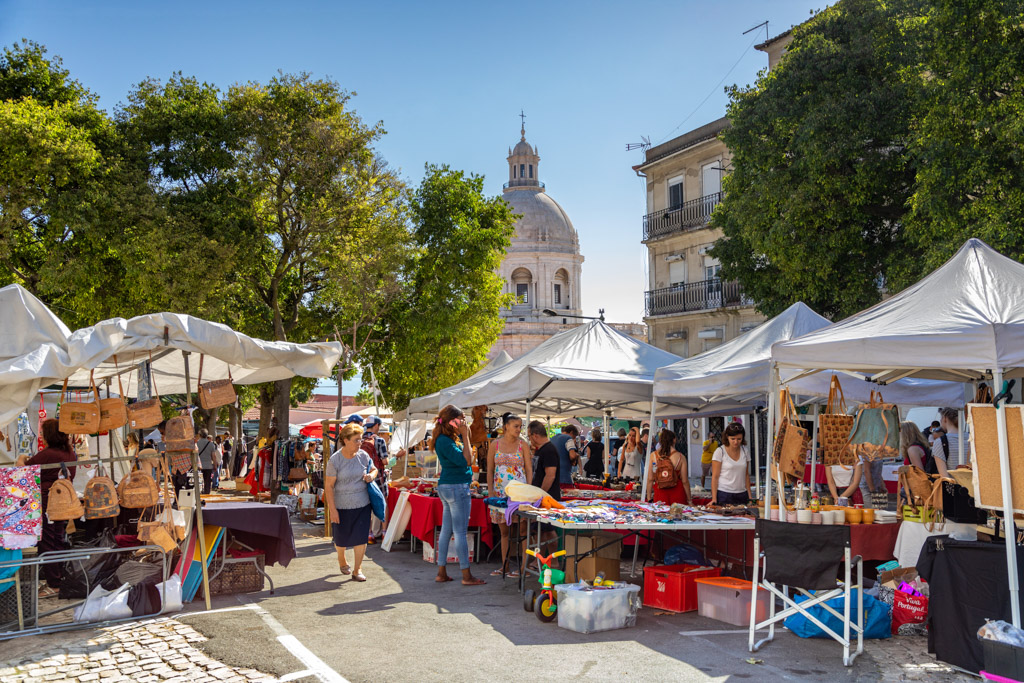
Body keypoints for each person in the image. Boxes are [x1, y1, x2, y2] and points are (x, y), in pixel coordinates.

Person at [17, 419, 77, 596]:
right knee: (58, 539)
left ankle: (54, 583)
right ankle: (58, 579)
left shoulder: (48, 454)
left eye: (43, 433)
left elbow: (23, 470)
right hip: (62, 502)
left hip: (47, 502)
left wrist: (21, 457)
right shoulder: (70, 453)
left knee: (48, 541)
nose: (42, 436)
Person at [431, 405, 485, 586]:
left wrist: (464, 434)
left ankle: (441, 572)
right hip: (456, 487)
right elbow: (467, 460)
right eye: (461, 418)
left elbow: (466, 455)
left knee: (446, 531)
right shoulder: (445, 441)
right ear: (452, 420)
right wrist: (465, 435)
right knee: (460, 532)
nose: (464, 421)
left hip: (448, 487)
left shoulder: (444, 439)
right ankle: (466, 575)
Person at [325, 422, 376, 582]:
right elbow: (329, 486)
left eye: (361, 439)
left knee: (361, 538)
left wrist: (371, 476)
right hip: (341, 506)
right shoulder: (335, 460)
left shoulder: (363, 456)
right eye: (356, 440)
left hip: (362, 504)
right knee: (341, 539)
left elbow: (374, 469)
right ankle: (342, 559)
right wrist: (332, 510)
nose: (360, 443)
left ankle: (357, 569)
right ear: (346, 440)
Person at [487, 412, 532, 577]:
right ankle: (504, 566)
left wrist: (529, 490)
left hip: (520, 495)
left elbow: (529, 469)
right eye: (516, 426)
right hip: (500, 494)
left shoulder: (523, 445)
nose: (519, 429)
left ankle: (524, 569)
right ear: (506, 426)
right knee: (504, 532)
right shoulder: (495, 445)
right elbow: (490, 470)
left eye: (520, 426)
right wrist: (490, 491)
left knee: (523, 531)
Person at [362, 416, 390, 543]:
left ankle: (369, 535)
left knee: (366, 505)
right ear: (377, 425)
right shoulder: (379, 440)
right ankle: (384, 533)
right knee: (383, 502)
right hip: (378, 477)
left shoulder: (359, 439)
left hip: (363, 476)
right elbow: (385, 461)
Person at [711, 422, 751, 505]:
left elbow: (746, 475)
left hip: (742, 493)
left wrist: (750, 496)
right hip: (724, 494)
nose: (736, 442)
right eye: (733, 439)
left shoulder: (745, 451)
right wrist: (714, 498)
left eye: (739, 439)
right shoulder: (720, 452)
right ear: (727, 437)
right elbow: (715, 477)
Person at [645, 429, 690, 504]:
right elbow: (685, 481)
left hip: (660, 493)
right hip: (677, 493)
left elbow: (650, 479)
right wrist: (689, 500)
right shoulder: (681, 457)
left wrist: (649, 497)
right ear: (674, 440)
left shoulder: (653, 456)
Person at [931, 407, 966, 477]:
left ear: (945, 418)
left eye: (941, 418)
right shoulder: (972, 438)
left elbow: (944, 476)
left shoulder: (940, 442)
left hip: (954, 483)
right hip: (974, 482)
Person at [195, 429, 217, 495]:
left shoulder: (196, 444)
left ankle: (198, 494)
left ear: (200, 435)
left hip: (198, 465)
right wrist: (215, 465)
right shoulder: (211, 444)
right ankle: (207, 493)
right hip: (208, 465)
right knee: (207, 482)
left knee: (198, 481)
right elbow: (214, 456)